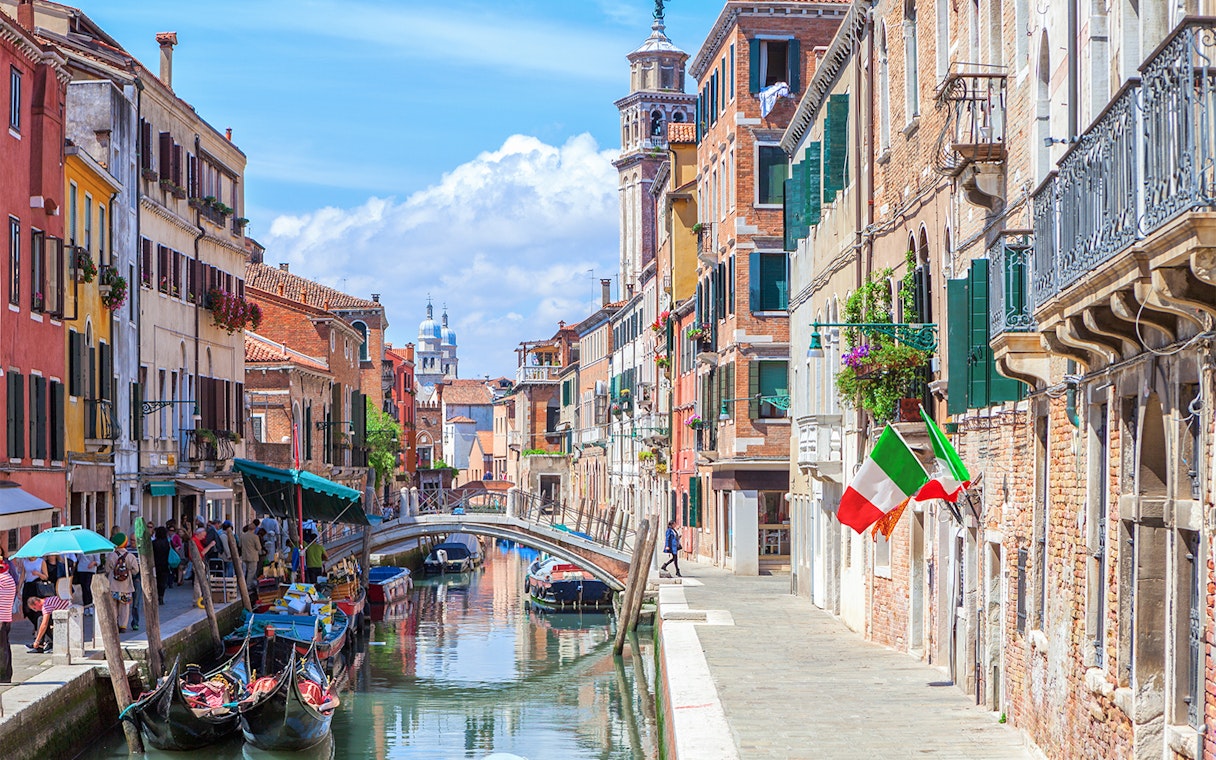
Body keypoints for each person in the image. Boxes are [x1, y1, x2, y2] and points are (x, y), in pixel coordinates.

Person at [105, 534, 140, 632]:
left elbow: (107, 569)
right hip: (126, 587)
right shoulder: (130, 556)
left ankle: (114, 624)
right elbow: (136, 570)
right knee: (124, 606)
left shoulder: (111, 555)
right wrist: (128, 572)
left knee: (113, 605)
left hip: (113, 586)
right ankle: (123, 625)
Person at [0, 546, 19, 682]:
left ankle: (2, 676)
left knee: (2, 648)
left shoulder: (1, 580)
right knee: (5, 646)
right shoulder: (9, 579)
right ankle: (6, 675)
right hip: (6, 618)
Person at [19, 555, 48, 627]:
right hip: (28, 586)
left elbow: (46, 576)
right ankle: (37, 625)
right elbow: (22, 575)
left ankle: (37, 627)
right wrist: (19, 588)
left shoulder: (41, 561)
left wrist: (38, 573)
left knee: (37, 607)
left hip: (37, 586)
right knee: (27, 609)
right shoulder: (25, 562)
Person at [239, 521, 262, 595]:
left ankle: (242, 585)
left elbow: (239, 545)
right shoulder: (255, 537)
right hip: (253, 557)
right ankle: (248, 586)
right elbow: (258, 547)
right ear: (254, 529)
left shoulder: (242, 536)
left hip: (244, 556)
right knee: (251, 572)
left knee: (244, 571)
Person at [152, 527, 172, 605]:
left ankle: (156, 596)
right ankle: (161, 596)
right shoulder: (167, 543)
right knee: (162, 581)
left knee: (156, 581)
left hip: (156, 564)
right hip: (165, 563)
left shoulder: (154, 543)